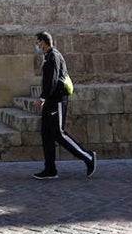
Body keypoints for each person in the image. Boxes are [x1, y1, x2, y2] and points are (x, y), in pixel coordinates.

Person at [33, 32, 96, 179]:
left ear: (43, 42)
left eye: (38, 42)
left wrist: (43, 97)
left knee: (58, 133)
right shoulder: (48, 56)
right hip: (50, 101)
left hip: (57, 100)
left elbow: (53, 80)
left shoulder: (54, 56)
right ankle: (50, 169)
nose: (37, 46)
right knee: (46, 134)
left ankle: (88, 157)